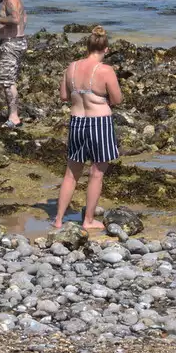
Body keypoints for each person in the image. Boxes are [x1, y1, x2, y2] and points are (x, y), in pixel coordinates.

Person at [53, 26, 122, 230]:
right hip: (99, 122)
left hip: (77, 121)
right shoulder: (105, 70)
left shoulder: (71, 67)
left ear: (87, 46)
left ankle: (58, 219)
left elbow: (64, 96)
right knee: (96, 173)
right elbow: (117, 99)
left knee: (71, 174)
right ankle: (89, 220)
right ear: (106, 49)